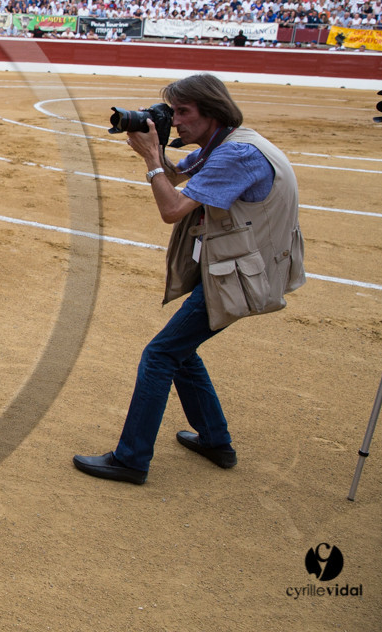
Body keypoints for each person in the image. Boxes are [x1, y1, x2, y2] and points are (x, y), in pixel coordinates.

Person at [73, 73, 305, 485]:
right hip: (240, 266)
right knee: (182, 350)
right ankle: (215, 440)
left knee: (161, 354)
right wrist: (154, 145)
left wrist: (149, 160)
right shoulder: (230, 143)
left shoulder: (235, 156)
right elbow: (179, 175)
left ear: (212, 111)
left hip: (240, 276)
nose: (177, 120)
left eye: (183, 112)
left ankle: (131, 460)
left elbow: (173, 206)